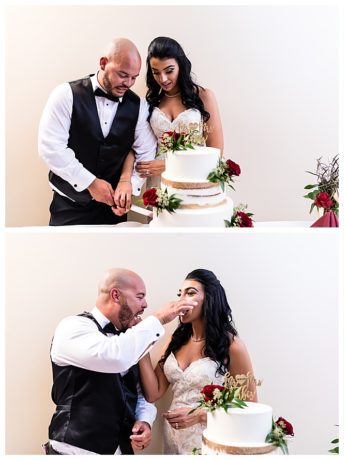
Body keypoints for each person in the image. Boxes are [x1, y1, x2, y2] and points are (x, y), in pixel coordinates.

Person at [46, 269, 196, 454]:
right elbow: (115, 357)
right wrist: (158, 318)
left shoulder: (127, 339)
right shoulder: (73, 327)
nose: (145, 304)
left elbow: (138, 392)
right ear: (116, 295)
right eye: (140, 297)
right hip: (74, 450)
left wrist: (144, 420)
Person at [38, 38, 158, 225]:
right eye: (123, 74)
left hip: (112, 212)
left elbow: (145, 153)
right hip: (68, 206)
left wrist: (129, 186)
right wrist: (91, 183)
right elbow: (51, 148)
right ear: (103, 63)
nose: (128, 83)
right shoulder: (65, 95)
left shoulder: (140, 107)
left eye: (134, 77)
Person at [137, 269, 256, 454]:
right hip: (173, 439)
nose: (181, 300)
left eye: (190, 293)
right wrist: (141, 343)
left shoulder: (232, 346)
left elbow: (251, 409)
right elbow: (153, 393)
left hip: (209, 439)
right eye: (180, 294)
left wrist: (199, 415)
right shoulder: (175, 340)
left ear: (209, 299)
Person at [113, 36, 224, 211]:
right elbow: (134, 146)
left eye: (169, 70)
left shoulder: (204, 97)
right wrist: (125, 180)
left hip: (193, 180)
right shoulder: (149, 101)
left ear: (180, 65)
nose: (163, 79)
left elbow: (215, 153)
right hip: (158, 183)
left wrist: (167, 165)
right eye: (156, 72)